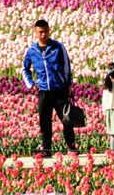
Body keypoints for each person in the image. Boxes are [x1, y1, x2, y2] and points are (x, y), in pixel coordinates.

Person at [22, 19, 77, 157]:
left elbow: (67, 67)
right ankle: (46, 149)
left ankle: (71, 147)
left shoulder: (58, 47)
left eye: (46, 31)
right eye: (40, 32)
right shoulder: (32, 51)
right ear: (35, 33)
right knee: (44, 122)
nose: (43, 34)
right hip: (44, 91)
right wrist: (31, 84)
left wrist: (68, 85)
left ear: (49, 30)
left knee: (66, 119)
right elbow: (25, 69)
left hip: (60, 90)